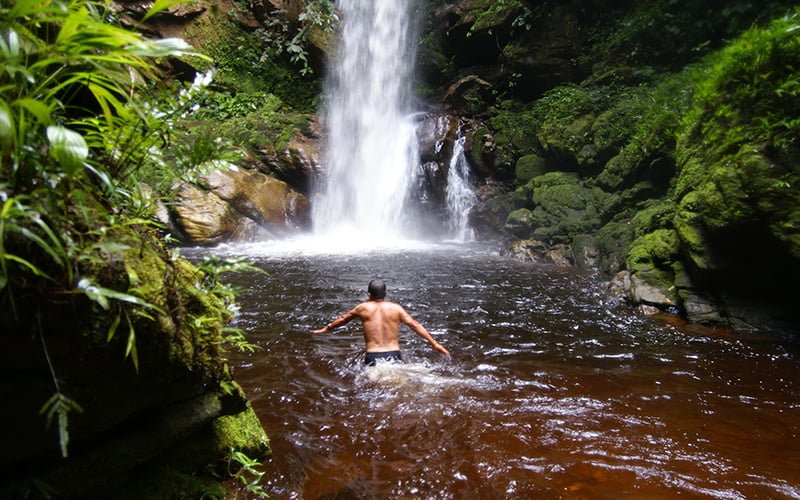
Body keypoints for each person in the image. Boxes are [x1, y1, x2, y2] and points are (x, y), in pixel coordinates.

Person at [312, 279, 450, 366]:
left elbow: (342, 319)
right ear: (386, 294)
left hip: (373, 356)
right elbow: (415, 324)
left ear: (369, 295)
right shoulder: (396, 308)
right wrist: (434, 343)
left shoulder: (363, 308)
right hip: (394, 354)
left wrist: (325, 329)